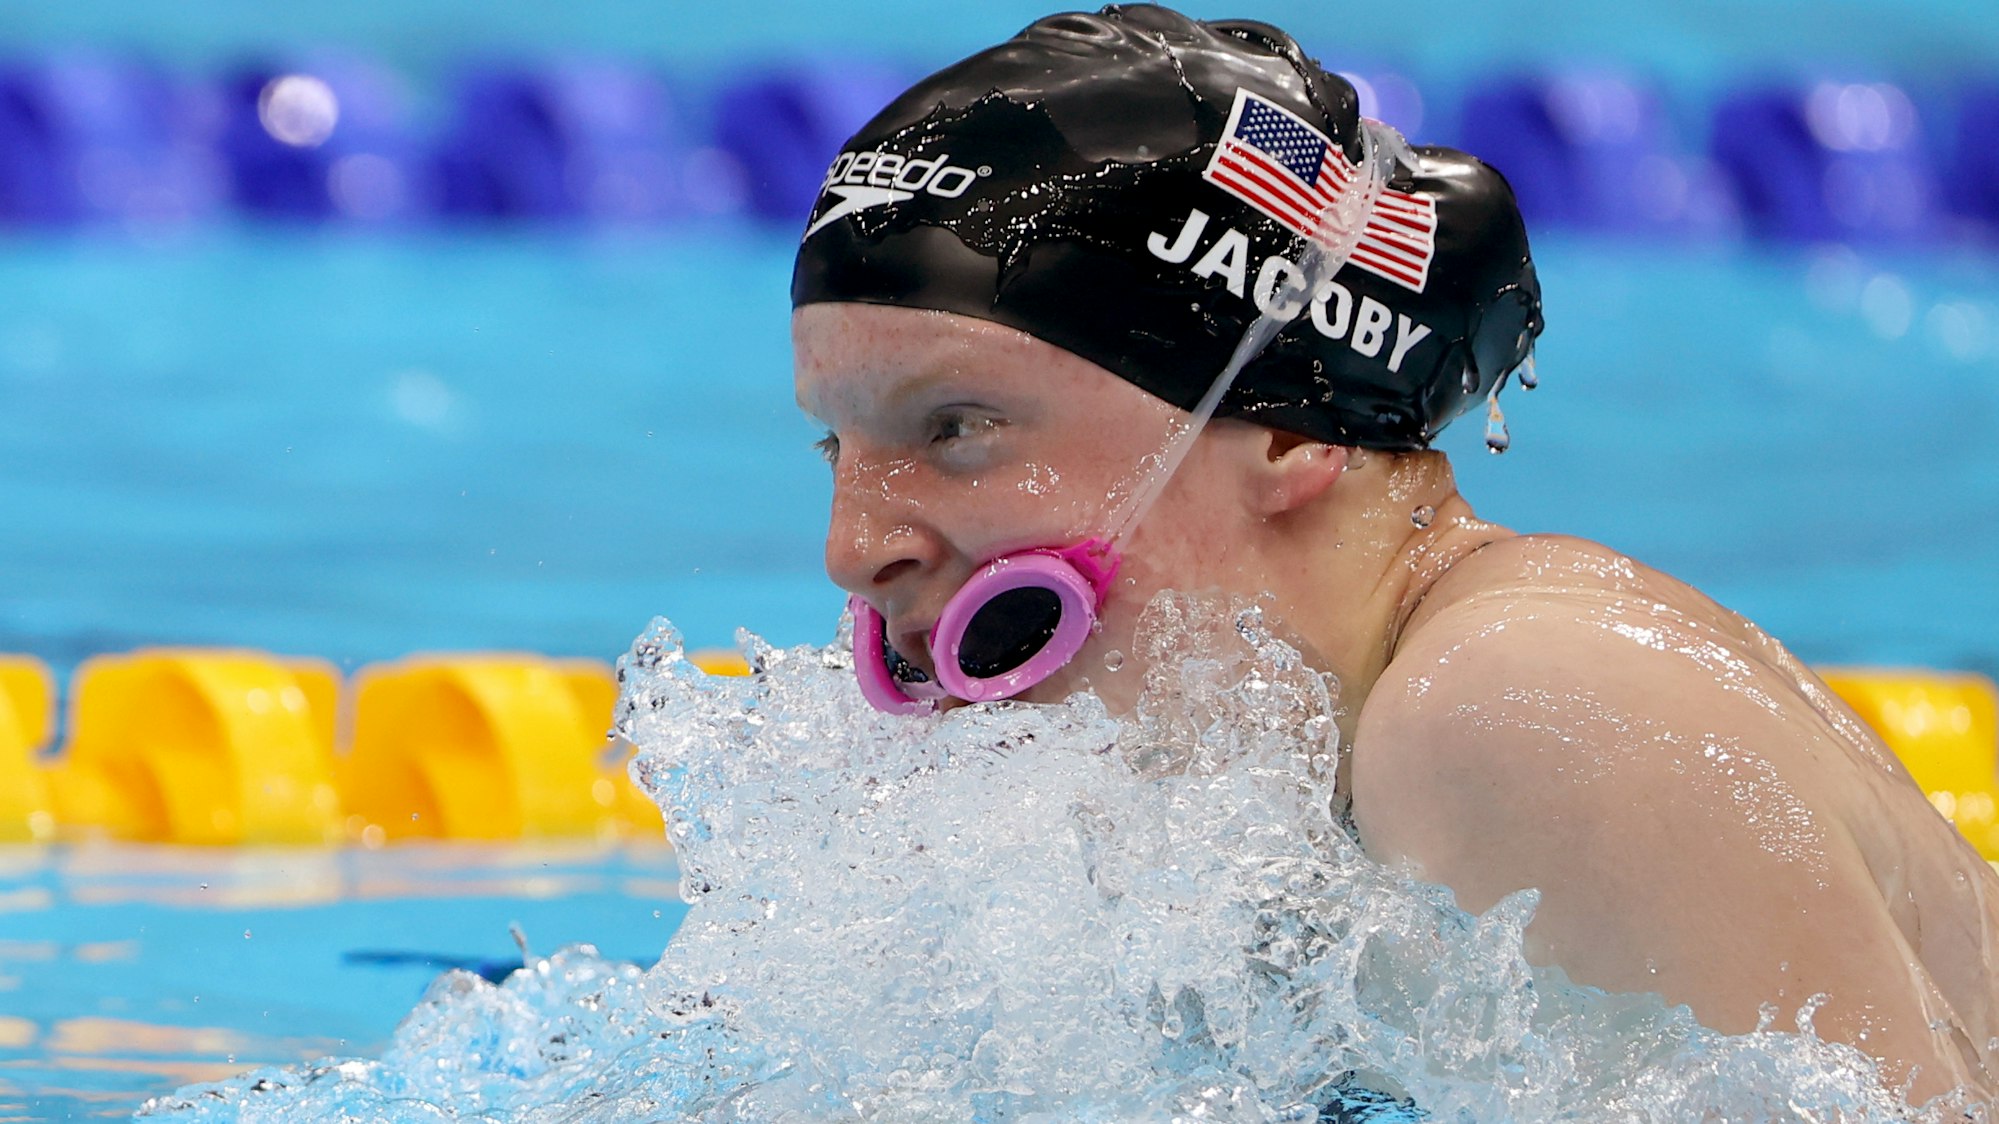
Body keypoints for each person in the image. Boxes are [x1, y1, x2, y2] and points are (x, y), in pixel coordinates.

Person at [788, 3, 1999, 1103]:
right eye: (837, 446)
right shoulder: (1327, 757)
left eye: (957, 429)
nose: (855, 547)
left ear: (1279, 427)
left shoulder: (1521, 707)